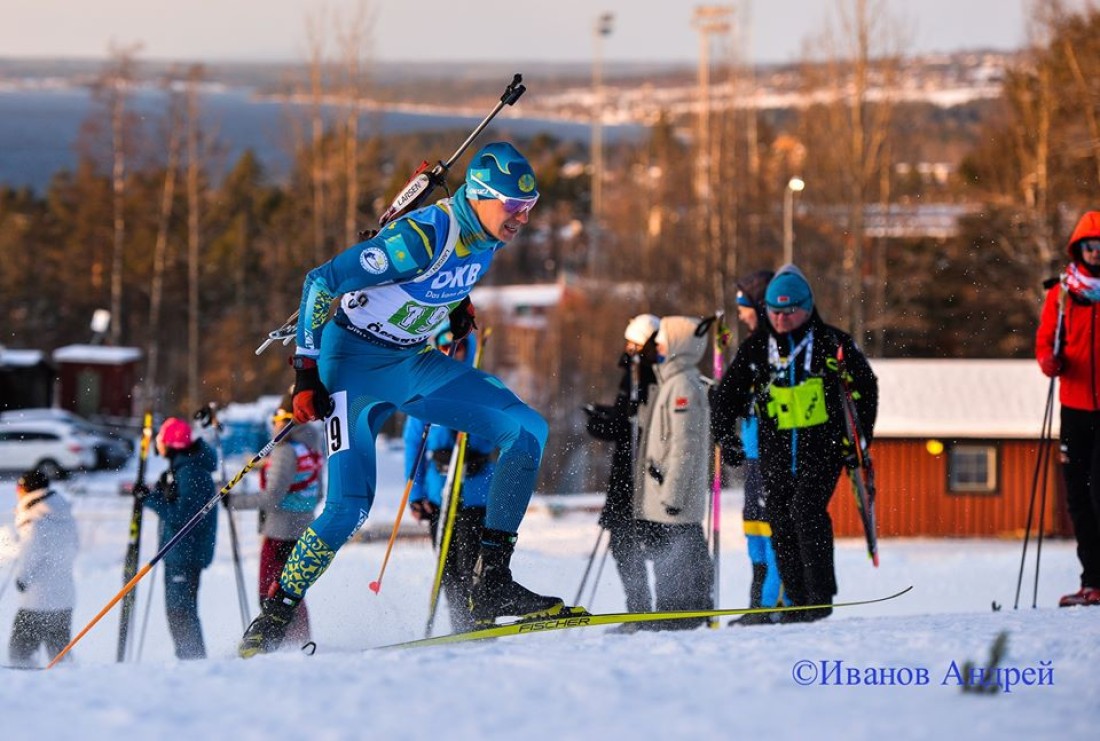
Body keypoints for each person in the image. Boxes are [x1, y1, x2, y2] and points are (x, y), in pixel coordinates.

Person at [240, 141, 561, 656]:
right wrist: (305, 373)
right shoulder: (420, 236)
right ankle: (276, 613)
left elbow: (443, 281)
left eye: (530, 206)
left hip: (411, 362)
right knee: (349, 506)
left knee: (528, 431)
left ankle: (491, 580)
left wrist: (458, 306)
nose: (522, 217)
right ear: (478, 196)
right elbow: (321, 282)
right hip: (351, 370)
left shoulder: (489, 235)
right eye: (513, 206)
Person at [711, 264, 878, 622]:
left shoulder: (831, 343)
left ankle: (818, 598)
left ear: (807, 307)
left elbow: (867, 388)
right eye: (774, 312)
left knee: (806, 510)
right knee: (781, 518)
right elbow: (727, 397)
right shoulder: (757, 348)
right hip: (775, 450)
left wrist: (859, 438)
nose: (781, 319)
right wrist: (726, 436)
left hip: (824, 448)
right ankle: (796, 600)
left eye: (789, 312)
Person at [404, 324, 495, 632]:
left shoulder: (482, 386)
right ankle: (459, 625)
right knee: (448, 569)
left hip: (475, 494)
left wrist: (473, 441)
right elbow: (413, 444)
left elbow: (498, 432)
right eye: (443, 347)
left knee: (474, 566)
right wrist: (416, 494)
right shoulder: (425, 388)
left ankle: (479, 623)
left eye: (454, 347)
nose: (449, 352)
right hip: (438, 494)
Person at [632, 315, 715, 629]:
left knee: (681, 557)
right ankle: (674, 611)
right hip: (664, 497)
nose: (660, 346)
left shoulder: (682, 385)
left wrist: (673, 494)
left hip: (673, 500)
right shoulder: (670, 381)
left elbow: (685, 446)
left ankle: (681, 613)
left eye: (665, 339)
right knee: (670, 558)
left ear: (680, 344)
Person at [1036, 210, 1100, 607]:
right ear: (1079, 249)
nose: (1095, 254)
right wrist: (1049, 362)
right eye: (1089, 246)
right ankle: (1092, 581)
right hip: (1074, 405)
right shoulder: (1060, 294)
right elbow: (1045, 342)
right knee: (1077, 495)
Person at [582, 313, 660, 614]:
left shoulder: (643, 373)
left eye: (632, 343)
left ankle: (641, 608)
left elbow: (631, 424)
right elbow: (625, 416)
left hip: (635, 472)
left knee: (627, 541)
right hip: (629, 468)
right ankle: (639, 607)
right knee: (625, 541)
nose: (627, 349)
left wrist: (603, 424)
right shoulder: (638, 372)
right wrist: (603, 416)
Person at [725, 269, 789, 626]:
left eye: (743, 306)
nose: (740, 313)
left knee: (773, 528)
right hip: (754, 453)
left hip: (772, 454)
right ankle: (758, 602)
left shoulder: (777, 347)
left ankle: (775, 604)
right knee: (755, 529)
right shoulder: (754, 347)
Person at [233, 399, 325, 643]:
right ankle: (298, 640)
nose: (273, 427)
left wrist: (234, 501)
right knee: (290, 590)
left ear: (286, 421)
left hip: (280, 532)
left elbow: (273, 496)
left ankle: (277, 642)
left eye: (276, 421)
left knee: (269, 591)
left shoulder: (285, 450)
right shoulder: (311, 446)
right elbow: (319, 493)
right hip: (302, 529)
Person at [135, 417, 218, 659]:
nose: (158, 448)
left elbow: (183, 517)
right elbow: (183, 505)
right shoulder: (187, 468)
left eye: (161, 442)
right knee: (181, 610)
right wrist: (163, 492)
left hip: (185, 553)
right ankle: (190, 658)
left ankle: (192, 660)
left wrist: (150, 499)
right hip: (182, 551)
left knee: (180, 611)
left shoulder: (190, 471)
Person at [7, 469, 78, 668]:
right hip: (64, 596)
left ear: (26, 489)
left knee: (19, 654)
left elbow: (31, 555)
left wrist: (22, 579)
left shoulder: (34, 520)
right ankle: (71, 687)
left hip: (37, 601)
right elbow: (74, 548)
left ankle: (29, 690)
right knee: (60, 655)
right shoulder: (64, 514)